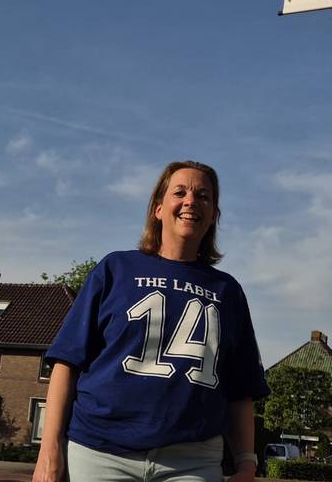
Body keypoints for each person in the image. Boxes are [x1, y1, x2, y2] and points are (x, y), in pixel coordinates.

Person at [33, 161, 269, 482]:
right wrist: (49, 452)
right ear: (158, 208)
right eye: (180, 192)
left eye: (203, 196)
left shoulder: (228, 291)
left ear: (213, 214)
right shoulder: (115, 269)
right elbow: (67, 364)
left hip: (192, 462)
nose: (191, 201)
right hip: (101, 453)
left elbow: (240, 389)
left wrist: (246, 462)